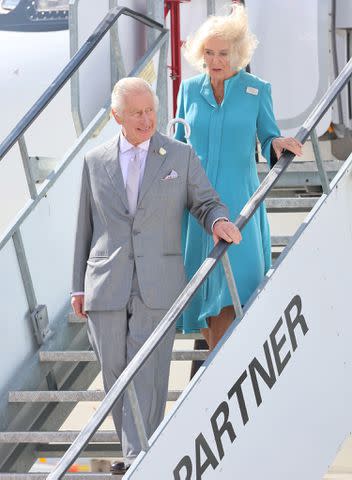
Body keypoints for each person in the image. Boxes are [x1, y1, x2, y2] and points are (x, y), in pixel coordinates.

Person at [70, 77, 242, 475]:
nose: (147, 120)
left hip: (159, 281)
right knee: (115, 370)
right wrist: (77, 285)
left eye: (151, 111)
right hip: (104, 282)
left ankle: (137, 459)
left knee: (148, 370)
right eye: (136, 113)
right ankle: (138, 449)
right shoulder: (95, 161)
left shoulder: (178, 156)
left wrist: (217, 221)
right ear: (117, 116)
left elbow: (206, 201)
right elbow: (85, 225)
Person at [175, 5, 302, 350]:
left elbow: (267, 137)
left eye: (224, 53)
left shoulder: (256, 90)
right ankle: (214, 377)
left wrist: (277, 142)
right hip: (198, 212)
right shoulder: (188, 91)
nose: (216, 60)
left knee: (233, 297)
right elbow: (178, 148)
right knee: (204, 305)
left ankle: (216, 376)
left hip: (239, 206)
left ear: (238, 54)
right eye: (209, 53)